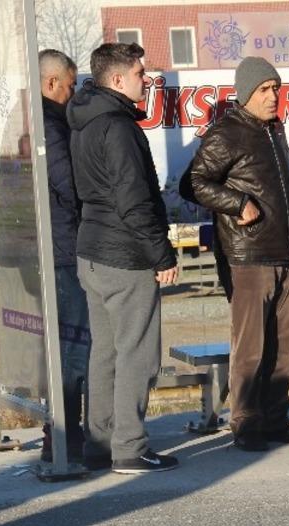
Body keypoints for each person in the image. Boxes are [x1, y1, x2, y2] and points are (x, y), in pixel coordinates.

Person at [185, 56, 289, 452]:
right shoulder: (227, 132)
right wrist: (238, 202)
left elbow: (287, 188)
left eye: (276, 88)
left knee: (283, 345)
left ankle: (276, 420)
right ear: (246, 93)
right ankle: (245, 423)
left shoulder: (274, 131)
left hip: (281, 253)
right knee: (251, 346)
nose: (274, 96)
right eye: (265, 89)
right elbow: (193, 183)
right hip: (246, 256)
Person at [68, 42, 179, 474]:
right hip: (125, 254)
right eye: (140, 72)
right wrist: (162, 255)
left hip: (92, 251)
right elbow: (135, 202)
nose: (146, 79)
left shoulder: (83, 122)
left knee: (106, 352)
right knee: (138, 353)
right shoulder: (118, 127)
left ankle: (99, 442)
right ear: (117, 79)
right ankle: (130, 448)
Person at [38, 49, 91, 465]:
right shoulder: (50, 125)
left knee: (60, 346)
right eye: (71, 85)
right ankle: (66, 439)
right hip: (63, 251)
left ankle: (59, 435)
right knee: (74, 347)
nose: (73, 93)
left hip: (45, 249)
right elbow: (69, 185)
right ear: (52, 82)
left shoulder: (26, 120)